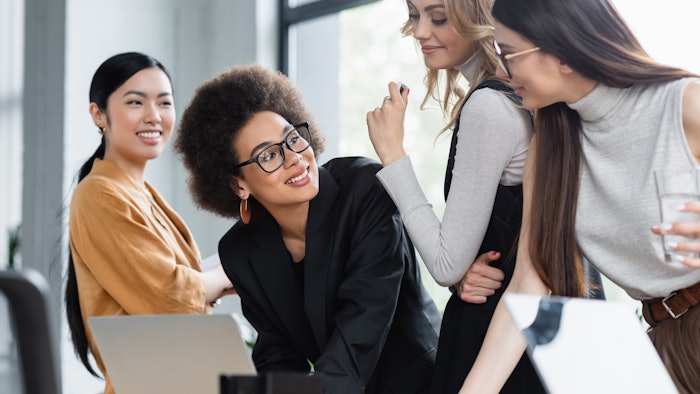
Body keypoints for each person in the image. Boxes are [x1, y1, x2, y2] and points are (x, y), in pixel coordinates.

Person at [458, 0, 700, 393]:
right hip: (661, 342)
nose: (501, 70)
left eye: (509, 53)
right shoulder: (550, 153)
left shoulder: (683, 103)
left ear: (562, 52)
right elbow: (528, 286)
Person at [174, 64, 442, 393]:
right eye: (269, 155)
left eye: (293, 139)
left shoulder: (365, 190)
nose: (295, 158)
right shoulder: (240, 251)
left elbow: (363, 325)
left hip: (421, 384)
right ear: (238, 184)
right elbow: (277, 355)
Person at [366, 0, 545, 392]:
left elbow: (447, 262)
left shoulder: (489, 107)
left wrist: (392, 154)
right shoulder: (514, 98)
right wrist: (461, 275)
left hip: (501, 344)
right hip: (527, 334)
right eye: (414, 15)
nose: (419, 32)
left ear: (479, 19)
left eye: (439, 18)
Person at [64, 52, 233, 394]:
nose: (154, 116)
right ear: (99, 114)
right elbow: (167, 298)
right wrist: (225, 275)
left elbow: (158, 282)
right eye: (135, 102)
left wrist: (225, 268)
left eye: (165, 103)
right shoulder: (100, 193)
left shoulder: (141, 194)